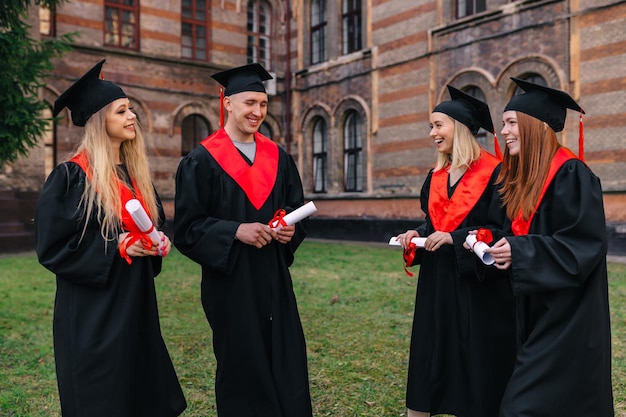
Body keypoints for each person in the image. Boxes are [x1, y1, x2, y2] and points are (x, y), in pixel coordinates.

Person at [34, 60, 187, 417]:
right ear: (101, 120)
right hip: (92, 314)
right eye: (122, 110)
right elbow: (53, 248)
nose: (132, 116)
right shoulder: (71, 177)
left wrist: (157, 242)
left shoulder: (135, 177)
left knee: (139, 391)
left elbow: (152, 226)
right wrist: (116, 246)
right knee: (102, 399)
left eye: (130, 108)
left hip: (134, 303)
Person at [173, 63, 313, 417]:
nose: (257, 112)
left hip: (274, 277)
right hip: (230, 283)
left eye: (263, 105)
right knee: (242, 363)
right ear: (228, 102)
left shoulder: (278, 157)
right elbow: (187, 229)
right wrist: (234, 230)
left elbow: (294, 206)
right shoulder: (201, 160)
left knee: (286, 356)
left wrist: (290, 231)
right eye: (250, 102)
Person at [483, 78, 614, 416]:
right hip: (537, 310)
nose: (504, 131)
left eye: (511, 122)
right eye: (504, 123)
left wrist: (521, 251)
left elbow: (583, 245)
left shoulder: (571, 174)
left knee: (523, 407)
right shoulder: (527, 178)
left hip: (568, 318)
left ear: (535, 126)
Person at [396, 85, 516, 417]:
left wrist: (455, 238)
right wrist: (415, 235)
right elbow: (432, 222)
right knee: (433, 352)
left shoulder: (497, 173)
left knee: (474, 362)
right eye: (431, 126)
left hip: (479, 287)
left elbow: (504, 231)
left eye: (438, 125)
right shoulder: (437, 174)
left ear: (459, 128)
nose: (432, 133)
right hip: (438, 283)